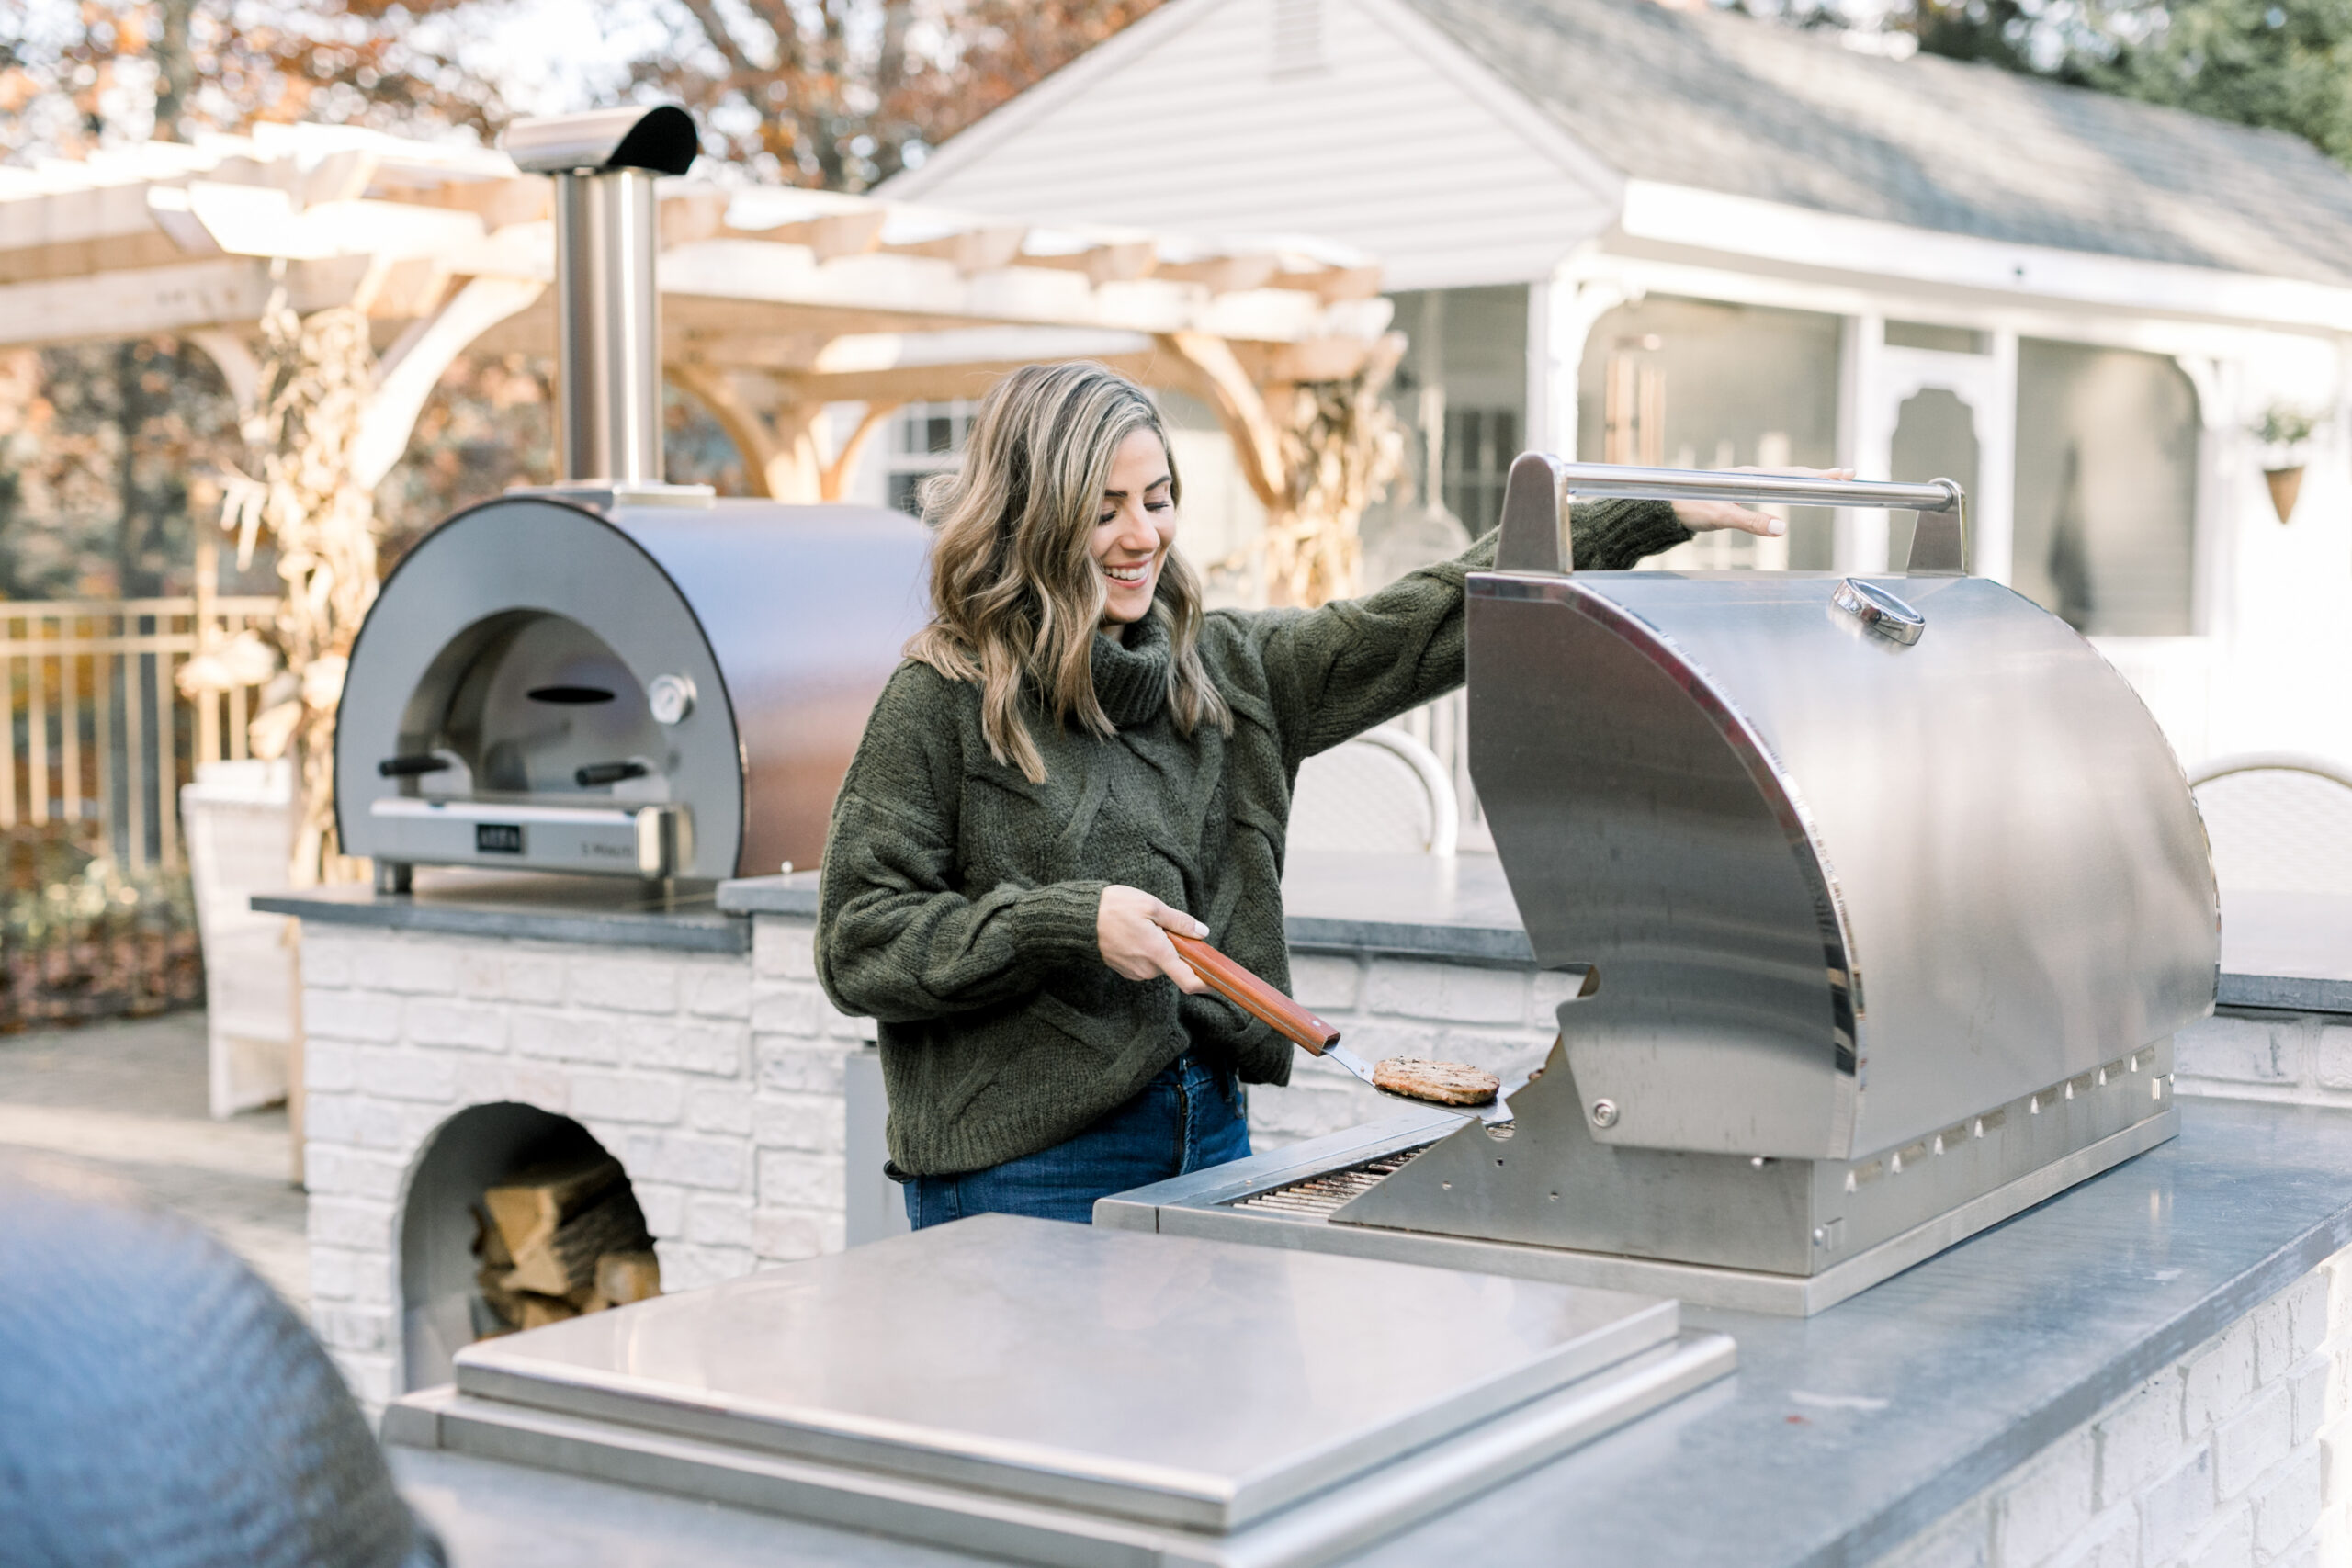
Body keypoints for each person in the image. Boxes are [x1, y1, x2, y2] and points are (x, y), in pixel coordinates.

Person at [815, 361, 1809, 1228]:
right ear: (1030, 515)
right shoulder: (941, 698)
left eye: (1157, 499)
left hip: (1207, 1132)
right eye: (1103, 507)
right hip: (1024, 1168)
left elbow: (1424, 614)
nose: (1139, 535)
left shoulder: (1231, 672)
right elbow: (861, 941)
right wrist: (1069, 922)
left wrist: (1651, 517)